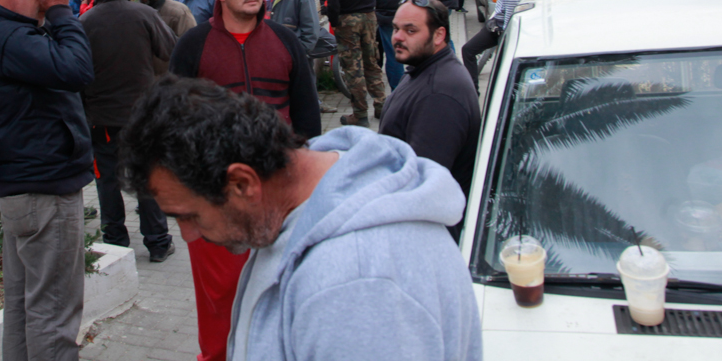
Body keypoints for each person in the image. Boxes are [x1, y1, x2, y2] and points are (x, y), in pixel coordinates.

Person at [119, 77, 483, 361]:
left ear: (242, 183)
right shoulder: (295, 207)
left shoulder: (356, 285)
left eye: (190, 216)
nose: (189, 236)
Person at [169, 0, 321, 361]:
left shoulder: (285, 42)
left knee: (283, 300)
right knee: (221, 309)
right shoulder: (193, 46)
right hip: (217, 201)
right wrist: (186, 214)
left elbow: (308, 124)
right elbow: (172, 128)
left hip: (280, 201)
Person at [0, 0, 95, 361]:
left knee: (25, 305)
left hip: (21, 183)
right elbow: (77, 68)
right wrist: (60, 9)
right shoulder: (10, 37)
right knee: (54, 311)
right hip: (44, 187)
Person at [79, 0, 177, 262]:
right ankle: (158, 242)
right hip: (141, 118)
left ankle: (115, 243)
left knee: (107, 182)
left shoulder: (84, 22)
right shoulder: (144, 15)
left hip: (101, 120)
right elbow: (170, 50)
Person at [380, 0, 480, 240]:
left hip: (425, 235)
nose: (398, 37)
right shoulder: (422, 69)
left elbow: (422, 185)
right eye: (396, 28)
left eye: (410, 30)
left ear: (438, 35)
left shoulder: (440, 95)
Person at [321, 0, 385, 127]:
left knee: (352, 67)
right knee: (371, 61)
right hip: (369, 17)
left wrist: (335, 22)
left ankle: (360, 114)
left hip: (347, 20)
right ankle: (382, 105)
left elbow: (332, 3)